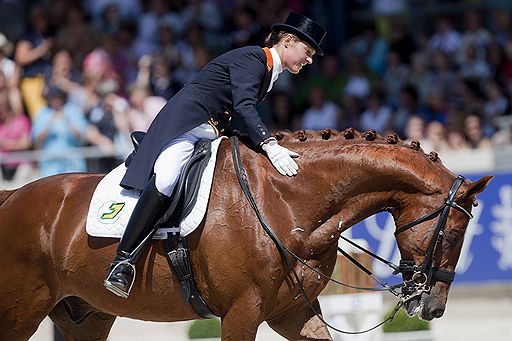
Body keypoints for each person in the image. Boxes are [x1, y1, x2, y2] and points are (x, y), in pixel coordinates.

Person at [104, 11, 326, 298]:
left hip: (211, 133)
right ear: (288, 40)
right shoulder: (254, 59)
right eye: (307, 52)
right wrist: (269, 144)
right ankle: (122, 262)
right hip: (187, 127)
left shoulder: (270, 72)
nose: (309, 60)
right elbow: (244, 107)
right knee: (167, 178)